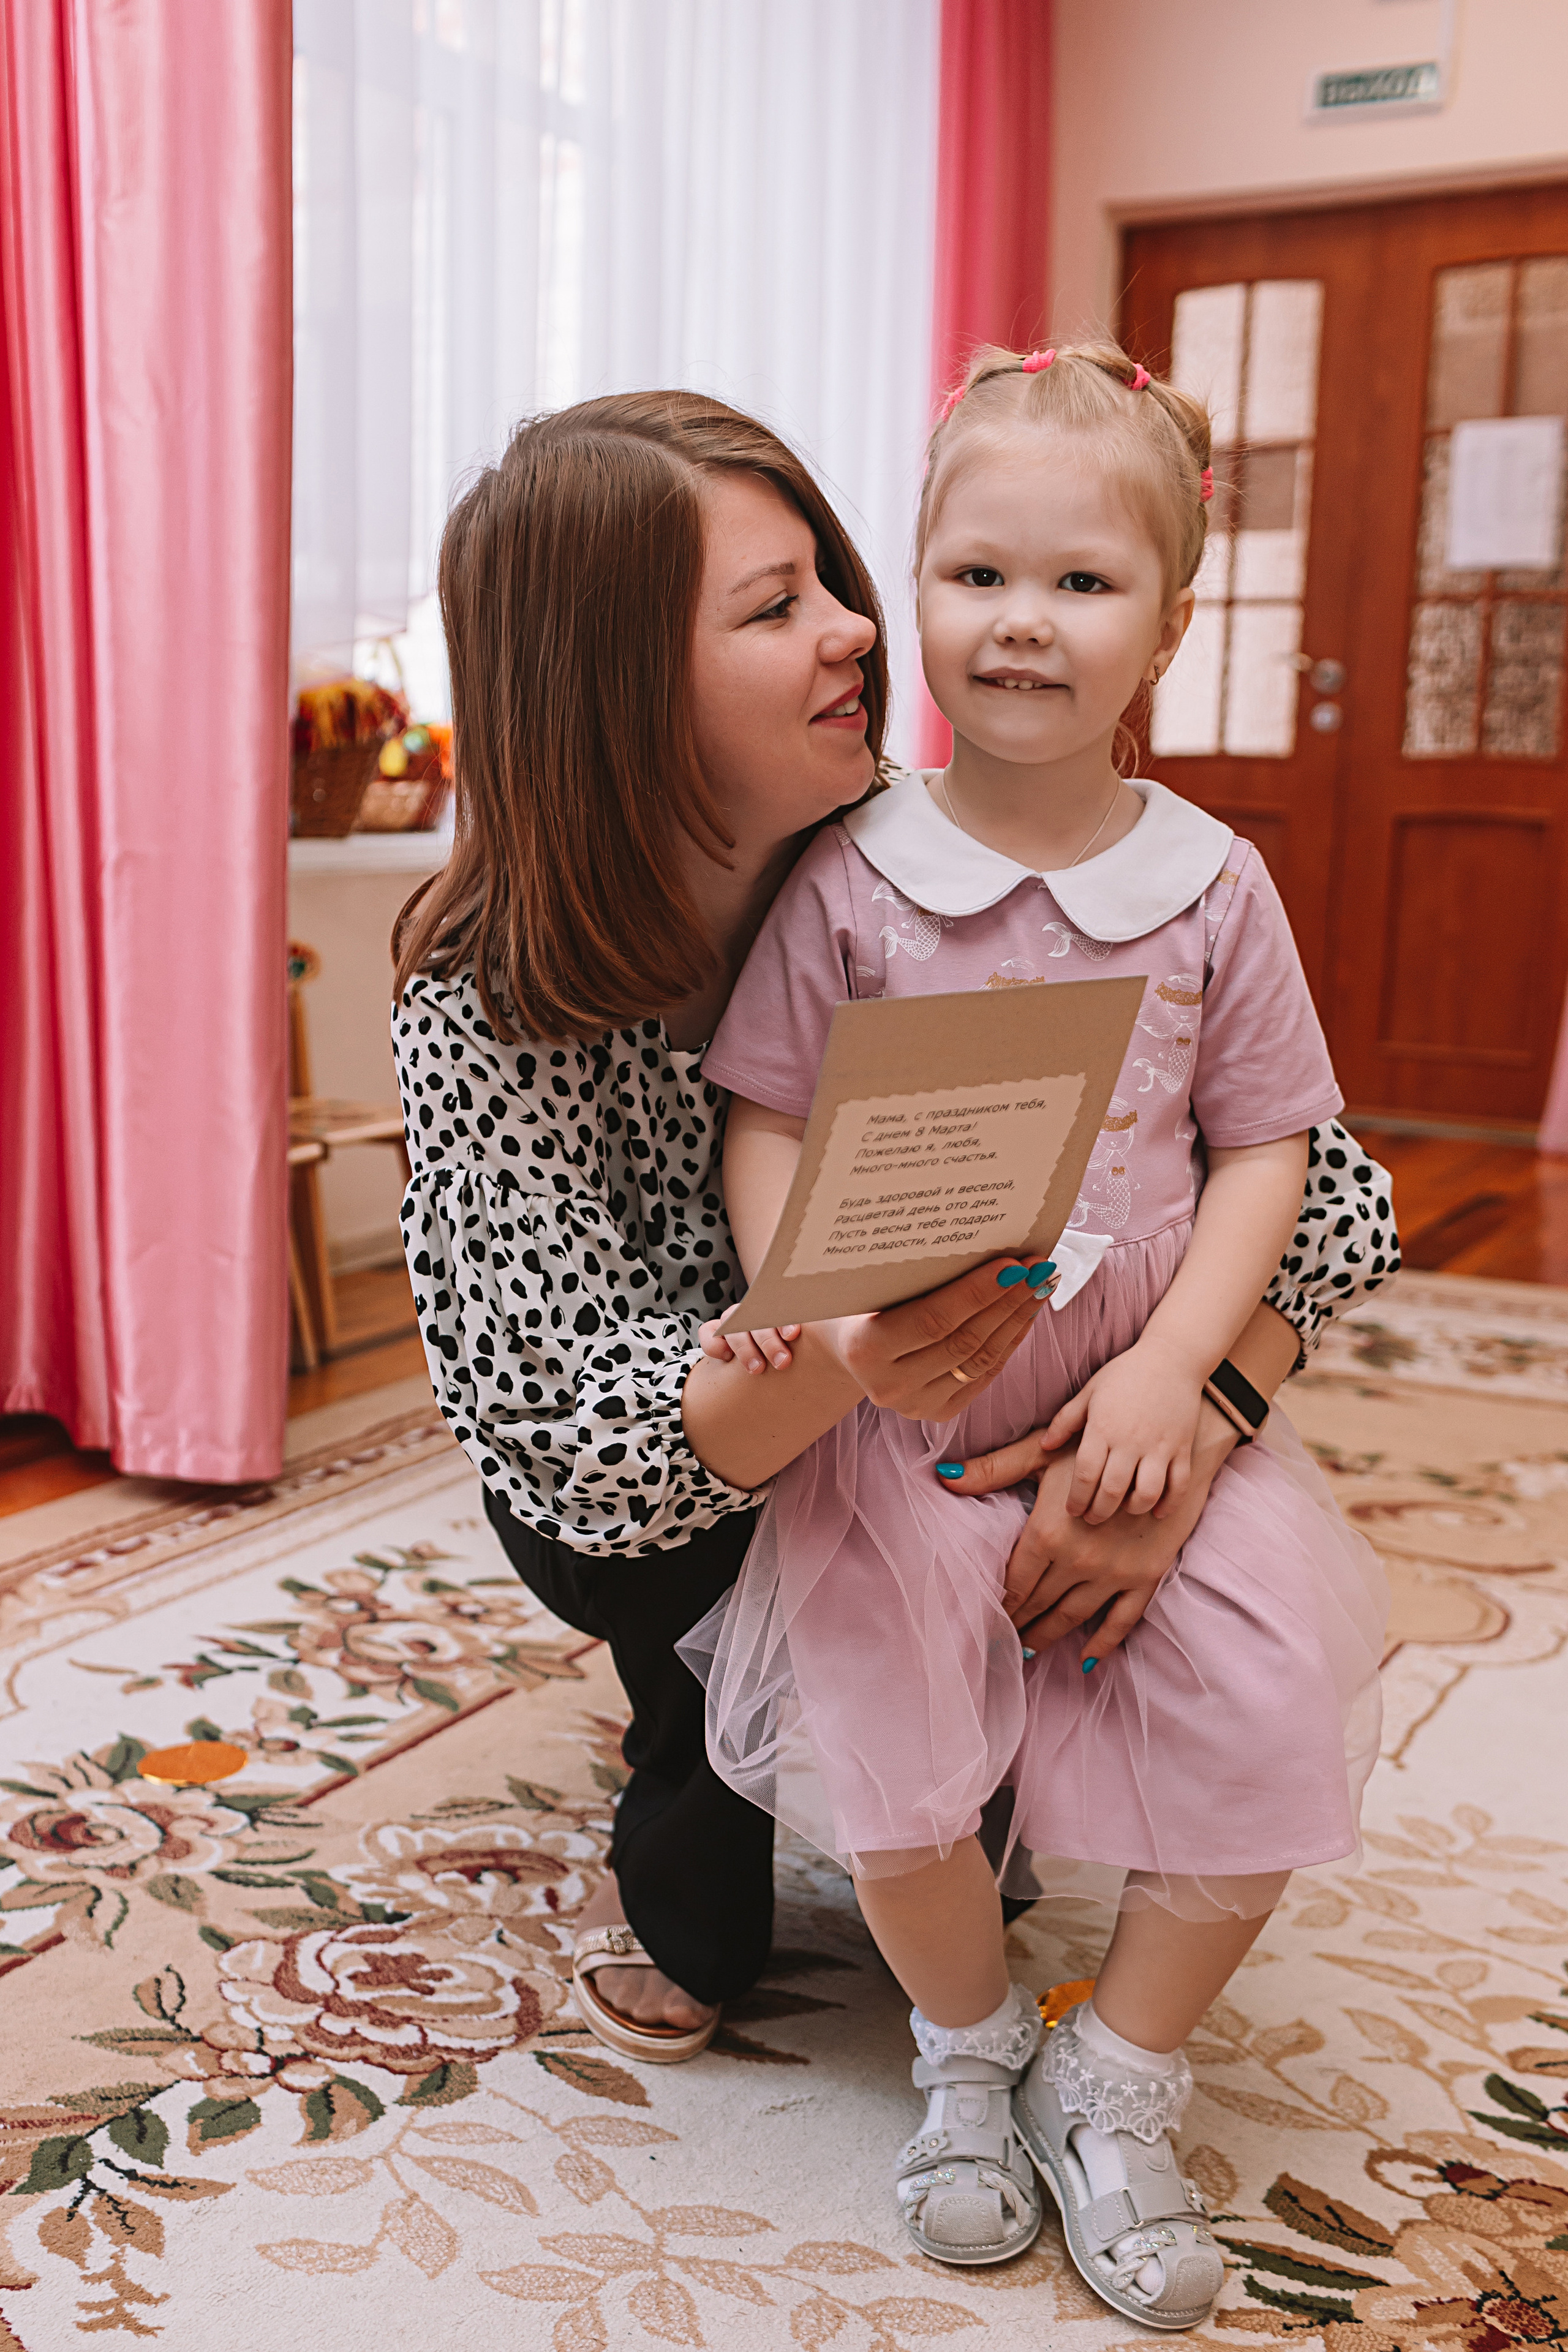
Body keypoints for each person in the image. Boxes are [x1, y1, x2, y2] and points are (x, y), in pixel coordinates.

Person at [387, 389, 1397, 2085]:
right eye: (775, 608)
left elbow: (1322, 1189)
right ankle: (692, 1744)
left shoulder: (936, 851)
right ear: (620, 687)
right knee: (751, 1802)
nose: (858, 629)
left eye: (833, 579)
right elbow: (571, 1433)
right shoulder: (492, 998)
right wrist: (847, 1353)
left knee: (1010, 1797)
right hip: (699, 1459)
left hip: (989, 1396)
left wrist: (1183, 1425)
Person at [690, 344, 1389, 2329]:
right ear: (915, 593)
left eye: (1083, 582)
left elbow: (1269, 1146)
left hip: (1140, 1407)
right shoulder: (854, 877)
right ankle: (970, 2047)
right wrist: (813, 1308)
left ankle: (1122, 2071)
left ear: (1168, 625)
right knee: (897, 1776)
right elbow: (768, 1118)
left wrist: (1177, 1372)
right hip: (899, 1429)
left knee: (1265, 1704)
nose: (1022, 620)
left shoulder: (1214, 888)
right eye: (978, 573)